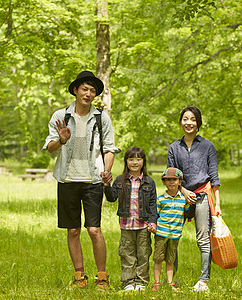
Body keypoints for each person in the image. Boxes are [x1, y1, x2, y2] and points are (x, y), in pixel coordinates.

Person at [42, 70, 119, 290]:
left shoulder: (101, 117)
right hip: (67, 180)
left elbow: (110, 147)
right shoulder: (60, 116)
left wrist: (107, 170)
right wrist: (61, 140)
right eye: (84, 89)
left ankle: (102, 277)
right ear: (75, 90)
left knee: (94, 230)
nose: (88, 93)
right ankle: (79, 277)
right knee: (73, 230)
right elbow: (49, 147)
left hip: (93, 180)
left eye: (92, 90)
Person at [167, 107, 221, 292]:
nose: (188, 123)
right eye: (185, 119)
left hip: (202, 196)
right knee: (171, 236)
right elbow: (171, 176)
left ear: (198, 123)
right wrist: (182, 190)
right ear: (181, 122)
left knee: (203, 239)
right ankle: (170, 280)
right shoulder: (174, 147)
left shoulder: (208, 146)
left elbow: (214, 177)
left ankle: (203, 281)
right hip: (179, 197)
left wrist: (218, 204)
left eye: (192, 119)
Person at [106, 146, 157, 291]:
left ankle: (141, 282)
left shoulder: (149, 182)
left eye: (138, 159)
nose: (135, 162)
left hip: (143, 226)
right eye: (131, 159)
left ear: (143, 162)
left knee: (143, 253)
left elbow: (153, 204)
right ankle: (128, 281)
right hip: (126, 225)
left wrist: (153, 221)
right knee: (127, 254)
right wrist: (106, 185)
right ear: (126, 162)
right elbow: (111, 198)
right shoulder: (120, 180)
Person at [151, 167, 189, 292]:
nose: (171, 182)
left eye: (174, 179)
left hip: (175, 235)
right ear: (163, 182)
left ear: (180, 181)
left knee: (170, 260)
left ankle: (170, 282)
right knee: (158, 259)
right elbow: (155, 215)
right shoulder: (160, 199)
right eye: (168, 180)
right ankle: (156, 282)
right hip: (161, 234)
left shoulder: (184, 199)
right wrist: (153, 226)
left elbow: (189, 213)